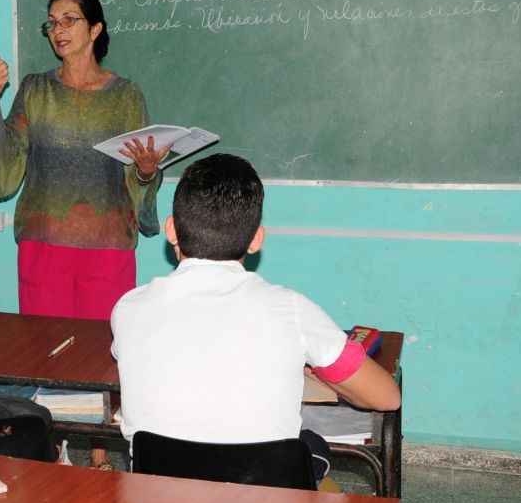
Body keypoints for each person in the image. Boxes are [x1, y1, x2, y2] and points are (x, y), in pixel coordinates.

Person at [110, 154, 401, 480]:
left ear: (171, 230)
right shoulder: (292, 311)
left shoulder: (128, 308)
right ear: (256, 240)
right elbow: (387, 397)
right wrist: (325, 374)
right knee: (310, 444)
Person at [0, 0, 170, 320]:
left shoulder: (126, 95)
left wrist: (147, 171)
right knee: (45, 354)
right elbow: (5, 156)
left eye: (69, 20)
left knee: (98, 357)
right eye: (52, 24)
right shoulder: (36, 89)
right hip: (44, 245)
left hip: (108, 247)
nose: (58, 30)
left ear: (95, 29)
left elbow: (138, 173)